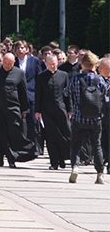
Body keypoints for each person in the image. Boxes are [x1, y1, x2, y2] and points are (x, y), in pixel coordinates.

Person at [0, 53, 37, 168]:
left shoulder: (19, 73)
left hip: (13, 108)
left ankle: (12, 157)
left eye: (10, 64)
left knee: (13, 132)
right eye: (5, 63)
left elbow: (23, 92)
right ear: (2, 61)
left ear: (13, 63)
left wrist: (24, 109)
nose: (7, 66)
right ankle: (0, 156)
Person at [67, 51, 107, 184]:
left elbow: (68, 93)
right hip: (96, 119)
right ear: (94, 65)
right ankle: (100, 173)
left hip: (79, 117)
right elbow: (104, 97)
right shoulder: (99, 79)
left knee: (76, 145)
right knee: (97, 145)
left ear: (82, 64)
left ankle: (75, 167)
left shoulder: (76, 79)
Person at [34, 53, 71, 170]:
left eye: (54, 64)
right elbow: (38, 95)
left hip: (61, 110)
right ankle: (54, 162)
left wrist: (70, 109)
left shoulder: (64, 75)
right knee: (51, 137)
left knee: (65, 135)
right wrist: (37, 111)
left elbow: (67, 95)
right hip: (47, 111)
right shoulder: (41, 77)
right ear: (46, 63)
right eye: (50, 64)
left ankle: (63, 158)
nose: (52, 66)